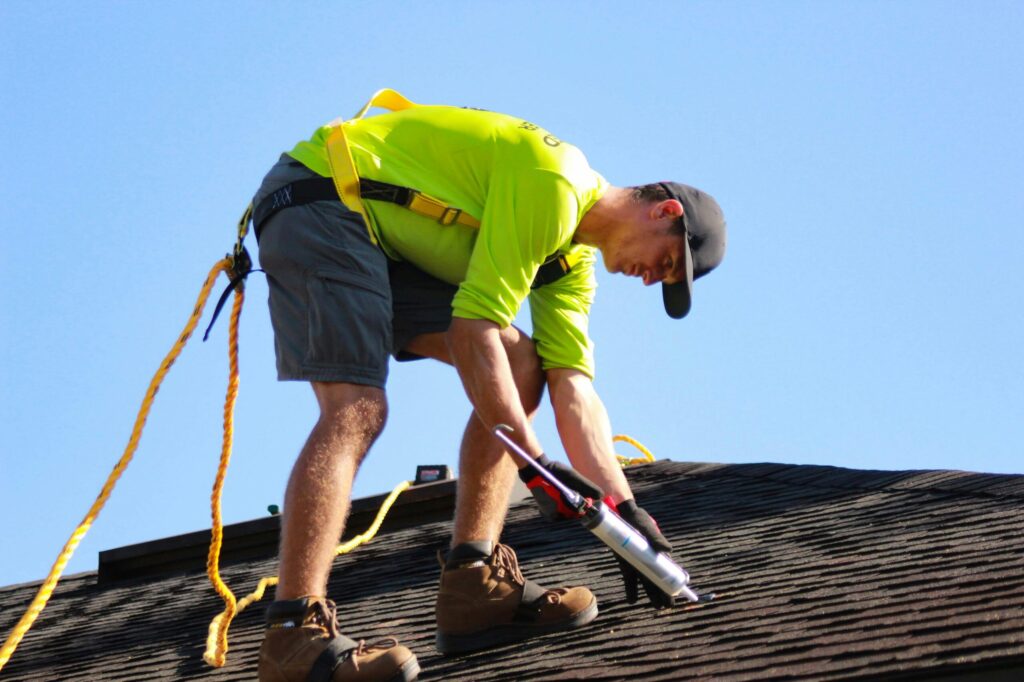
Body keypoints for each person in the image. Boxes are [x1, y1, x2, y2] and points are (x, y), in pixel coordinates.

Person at [250, 89, 726, 682]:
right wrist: (533, 462)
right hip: (324, 197)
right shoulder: (553, 182)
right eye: (668, 264)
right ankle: (293, 634)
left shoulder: (569, 263)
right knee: (357, 407)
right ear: (666, 213)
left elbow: (572, 390)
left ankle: (473, 588)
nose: (655, 280)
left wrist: (626, 511)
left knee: (523, 364)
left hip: (387, 236)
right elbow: (473, 331)